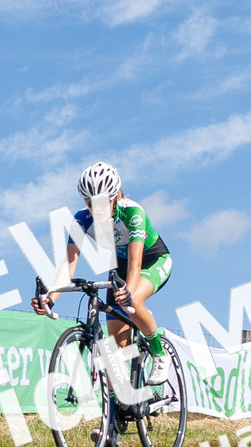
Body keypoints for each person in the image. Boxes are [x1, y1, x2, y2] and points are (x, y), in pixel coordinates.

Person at [33, 159, 171, 400]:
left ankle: (160, 352)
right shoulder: (81, 219)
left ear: (115, 195)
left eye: (100, 202)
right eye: (88, 202)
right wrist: (51, 298)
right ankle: (116, 418)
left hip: (152, 260)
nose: (94, 208)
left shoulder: (132, 212)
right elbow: (69, 264)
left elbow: (136, 261)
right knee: (119, 350)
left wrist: (128, 290)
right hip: (119, 267)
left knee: (133, 302)